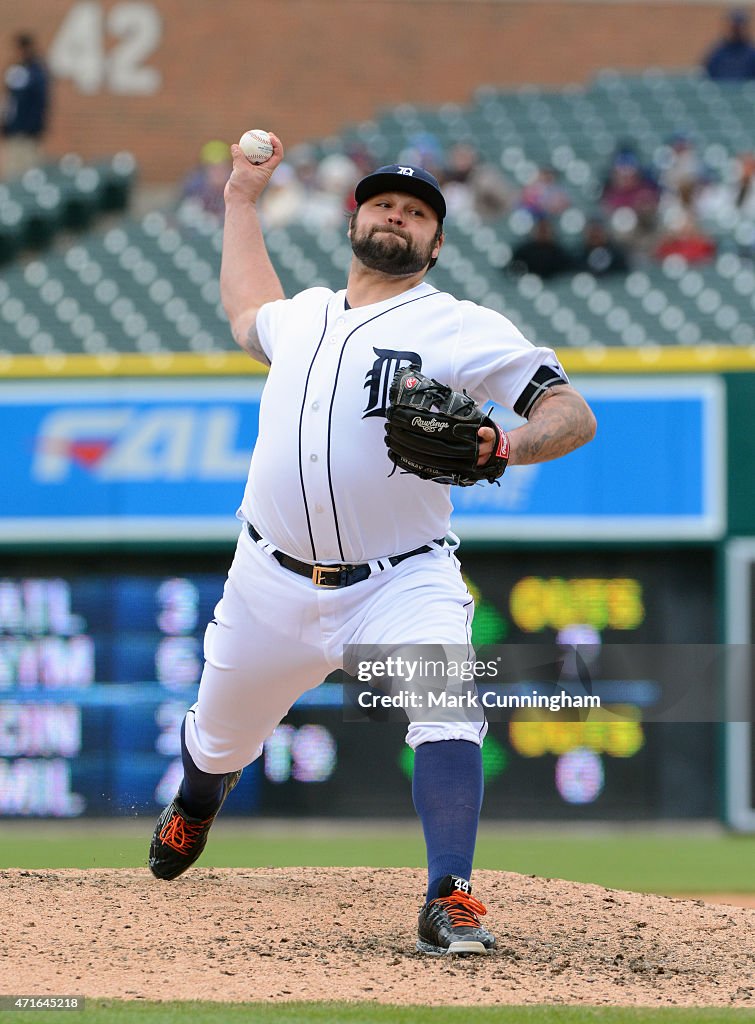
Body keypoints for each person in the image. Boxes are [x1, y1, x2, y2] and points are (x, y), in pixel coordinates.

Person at [148, 136, 597, 956]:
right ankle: (197, 806)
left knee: (447, 710)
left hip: (400, 580)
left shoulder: (458, 325)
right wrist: (240, 203)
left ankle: (448, 898)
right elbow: (249, 314)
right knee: (216, 743)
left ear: (435, 244)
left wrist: (504, 444)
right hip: (268, 582)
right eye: (386, 202)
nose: (399, 214)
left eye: (418, 211)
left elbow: (570, 413)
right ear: (356, 218)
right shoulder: (306, 315)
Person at [1, 32, 50, 181]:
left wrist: (34, 127)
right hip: (13, 131)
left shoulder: (36, 72)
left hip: (29, 132)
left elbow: (40, 103)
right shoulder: (15, 70)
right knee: (12, 173)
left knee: (28, 173)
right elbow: (9, 100)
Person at [506, 214, 575, 279]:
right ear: (533, 231)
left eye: (545, 230)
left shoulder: (560, 254)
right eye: (540, 229)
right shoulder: (523, 253)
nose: (543, 233)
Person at [702, 8, 755, 81]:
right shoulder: (717, 53)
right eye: (733, 27)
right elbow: (707, 76)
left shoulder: (752, 54)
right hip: (721, 91)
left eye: (739, 27)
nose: (736, 31)